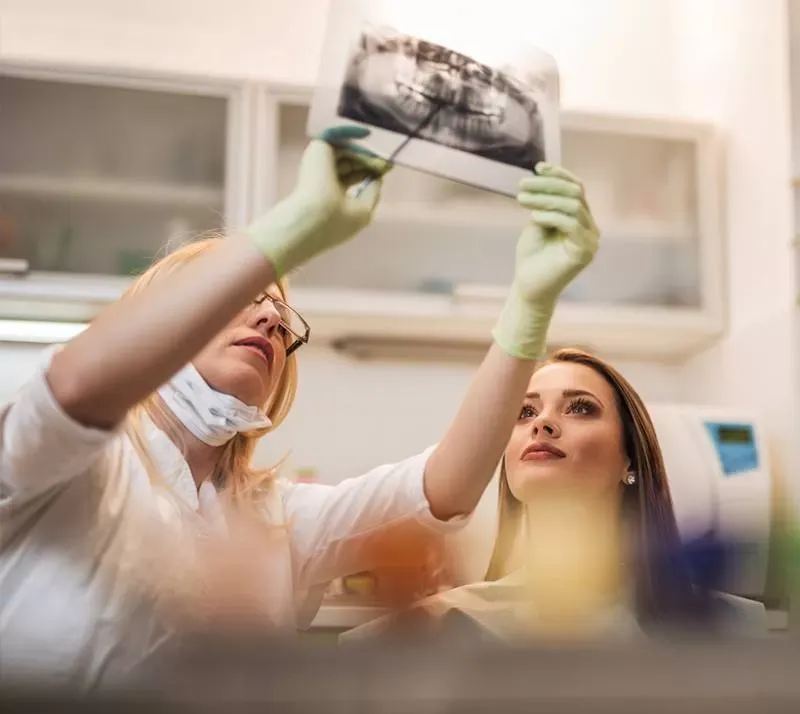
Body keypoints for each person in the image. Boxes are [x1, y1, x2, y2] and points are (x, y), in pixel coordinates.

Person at [0, 124, 599, 687]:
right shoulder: (76, 463)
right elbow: (73, 390)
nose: (271, 317)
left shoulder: (274, 517)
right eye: (242, 297)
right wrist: (296, 224)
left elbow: (444, 488)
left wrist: (529, 303)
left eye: (281, 316)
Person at [342, 349, 768, 643]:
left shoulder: (732, 628)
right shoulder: (442, 627)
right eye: (525, 412)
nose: (541, 423)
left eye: (580, 407)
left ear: (630, 457)